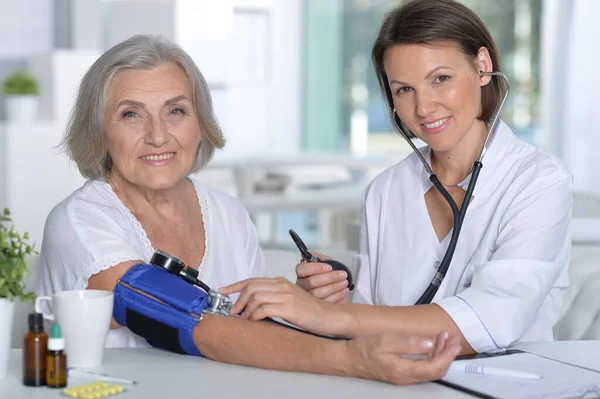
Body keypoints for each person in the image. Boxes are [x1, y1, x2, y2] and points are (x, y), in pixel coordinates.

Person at [36, 34, 460, 385]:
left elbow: (254, 337)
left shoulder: (227, 213)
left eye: (176, 111)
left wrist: (309, 309)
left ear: (200, 122)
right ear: (99, 130)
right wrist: (353, 356)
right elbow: (184, 320)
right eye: (131, 115)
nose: (158, 136)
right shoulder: (78, 223)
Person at [221, 0, 573, 355]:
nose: (423, 107)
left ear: (483, 67)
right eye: (405, 89)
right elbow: (368, 325)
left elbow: (491, 320)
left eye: (440, 79)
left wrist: (329, 317)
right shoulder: (383, 192)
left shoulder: (539, 182)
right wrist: (334, 300)